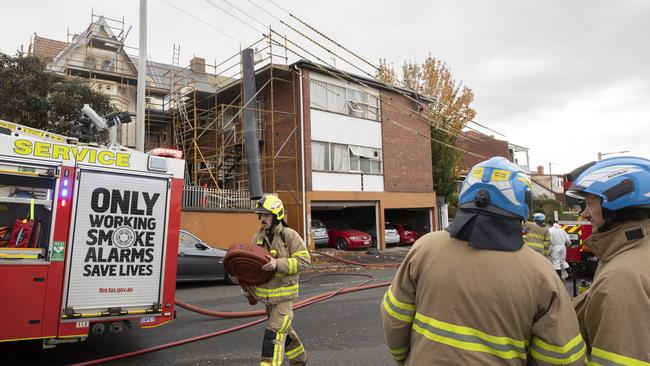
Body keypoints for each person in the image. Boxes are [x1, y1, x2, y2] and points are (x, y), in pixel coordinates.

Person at [381, 157, 585, 365]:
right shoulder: (541, 272)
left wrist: (404, 359)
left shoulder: (424, 247)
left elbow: (394, 317)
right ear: (522, 203)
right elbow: (561, 355)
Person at [566, 157, 650, 364]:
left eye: (589, 204)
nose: (584, 214)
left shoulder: (622, 277)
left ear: (617, 201)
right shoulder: (636, 254)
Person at [249, 195, 311, 366]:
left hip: (284, 298)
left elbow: (304, 261)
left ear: (276, 216)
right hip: (268, 298)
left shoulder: (289, 236)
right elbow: (251, 263)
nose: (262, 219)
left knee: (274, 334)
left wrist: (278, 264)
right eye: (261, 215)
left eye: (267, 215)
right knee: (285, 330)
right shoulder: (258, 237)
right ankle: (299, 358)